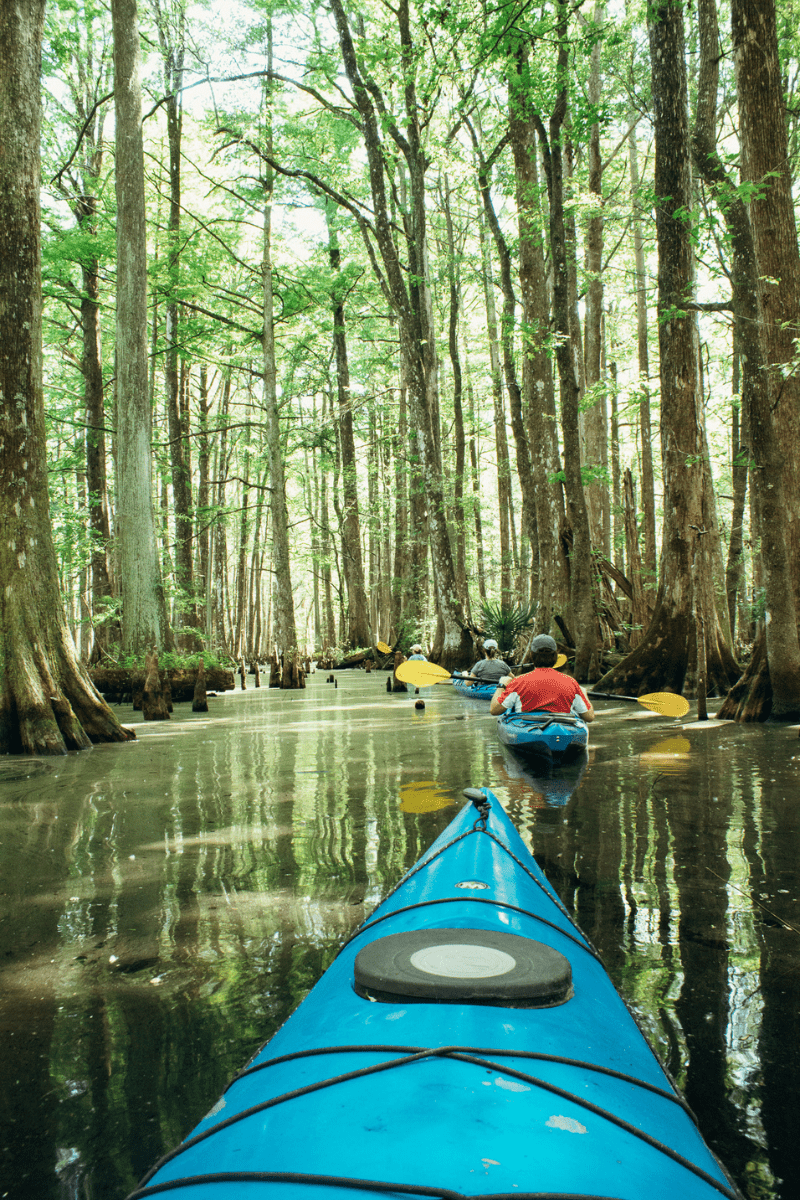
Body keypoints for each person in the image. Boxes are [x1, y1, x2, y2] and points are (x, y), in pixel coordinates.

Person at [489, 634, 594, 722]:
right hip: (562, 729)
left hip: (527, 728)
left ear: (531, 655)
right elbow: (589, 717)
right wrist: (583, 692)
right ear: (555, 657)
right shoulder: (571, 682)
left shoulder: (518, 682)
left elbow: (494, 710)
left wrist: (501, 685)